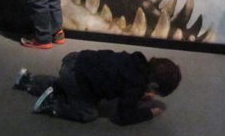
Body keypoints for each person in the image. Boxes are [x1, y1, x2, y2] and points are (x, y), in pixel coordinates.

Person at [13, 50, 182, 125]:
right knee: (89, 113)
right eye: (155, 91)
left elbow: (123, 80)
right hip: (79, 79)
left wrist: (139, 94)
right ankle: (53, 106)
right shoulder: (136, 85)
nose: (153, 94)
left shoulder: (136, 61)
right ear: (153, 85)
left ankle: (28, 80)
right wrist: (149, 113)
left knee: (62, 83)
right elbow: (122, 116)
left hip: (75, 60)